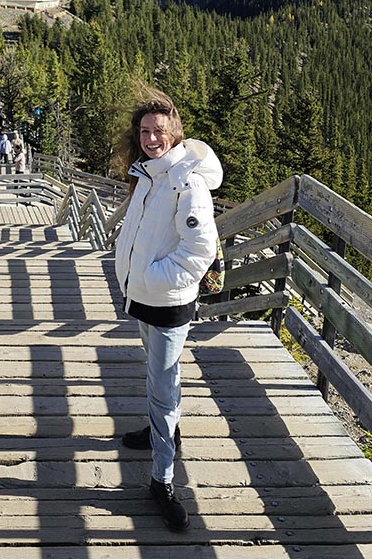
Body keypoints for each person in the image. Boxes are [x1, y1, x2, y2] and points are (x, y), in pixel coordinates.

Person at [114, 89, 222, 532]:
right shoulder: (151, 174)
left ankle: (162, 480)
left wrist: (154, 278)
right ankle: (165, 431)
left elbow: (200, 250)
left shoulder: (187, 181)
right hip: (143, 296)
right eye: (144, 131)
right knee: (157, 375)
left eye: (159, 131)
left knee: (164, 388)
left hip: (165, 301)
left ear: (175, 133)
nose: (151, 138)